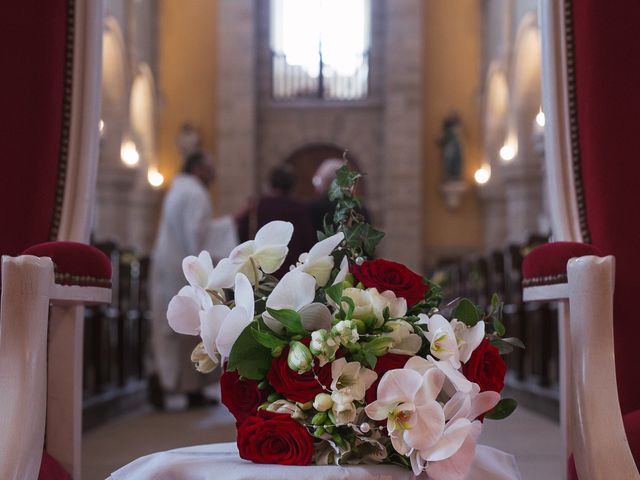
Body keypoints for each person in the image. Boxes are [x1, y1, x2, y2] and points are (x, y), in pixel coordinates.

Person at [149, 151, 238, 410]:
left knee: (168, 330)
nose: (215, 174)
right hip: (182, 268)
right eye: (211, 168)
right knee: (190, 327)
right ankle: (190, 390)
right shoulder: (196, 193)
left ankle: (163, 381)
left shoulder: (177, 189)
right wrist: (233, 222)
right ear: (199, 168)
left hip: (166, 264)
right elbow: (197, 234)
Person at [236, 165, 315, 277]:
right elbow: (307, 239)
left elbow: (242, 234)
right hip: (292, 268)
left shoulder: (256, 205)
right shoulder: (299, 208)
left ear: (270, 183)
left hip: (262, 268)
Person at [309, 158, 370, 233]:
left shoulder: (314, 208)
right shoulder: (359, 208)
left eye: (317, 180)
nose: (316, 186)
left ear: (326, 181)